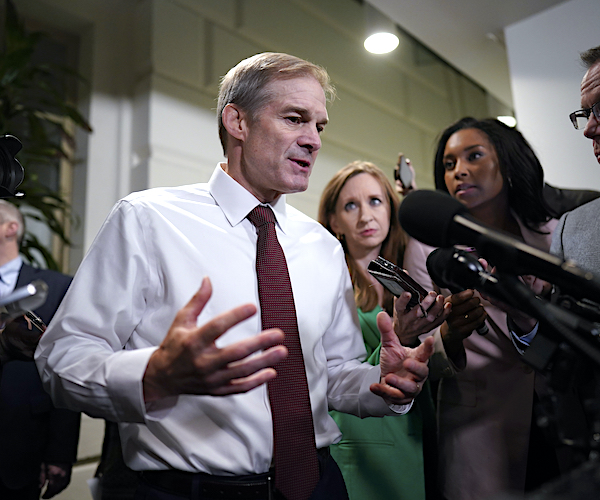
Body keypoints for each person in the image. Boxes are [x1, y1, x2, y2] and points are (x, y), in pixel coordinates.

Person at [35, 52, 438, 500]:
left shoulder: (322, 246)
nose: (313, 140)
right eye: (294, 119)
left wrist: (385, 385)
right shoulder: (147, 219)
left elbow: (336, 375)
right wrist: (153, 375)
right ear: (237, 122)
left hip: (318, 486)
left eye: (318, 126)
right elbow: (61, 358)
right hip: (188, 490)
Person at [403, 117, 560, 500]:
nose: (460, 171)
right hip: (478, 426)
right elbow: (420, 351)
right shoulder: (426, 248)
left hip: (560, 416)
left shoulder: (555, 233)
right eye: (449, 164)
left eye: (473, 156)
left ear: (506, 161)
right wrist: (449, 336)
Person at [318, 161, 447, 500]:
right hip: (361, 438)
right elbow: (333, 374)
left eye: (375, 201)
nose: (365, 216)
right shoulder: (326, 282)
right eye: (350, 205)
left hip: (417, 429)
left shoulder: (411, 278)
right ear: (333, 221)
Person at [0, 200, 80, 499]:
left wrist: (60, 453)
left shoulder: (56, 287)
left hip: (22, 445)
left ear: (11, 228)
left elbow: (66, 366)